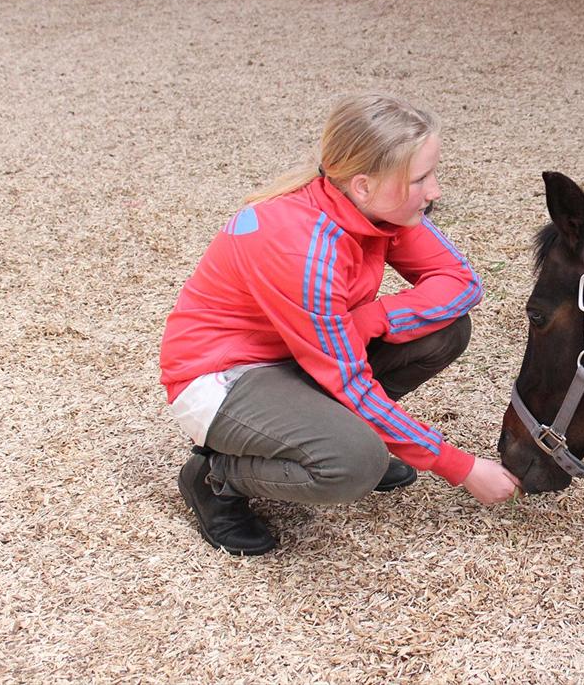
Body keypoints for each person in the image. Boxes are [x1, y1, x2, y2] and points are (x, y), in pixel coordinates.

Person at [159, 91, 521, 555]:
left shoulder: (374, 206)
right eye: (419, 179)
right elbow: (349, 381)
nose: (434, 192)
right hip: (222, 378)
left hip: (302, 355)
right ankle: (215, 478)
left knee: (445, 329)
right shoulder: (302, 247)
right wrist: (462, 467)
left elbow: (460, 283)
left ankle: (334, 432)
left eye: (433, 173)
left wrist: (374, 316)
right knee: (354, 463)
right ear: (364, 184)